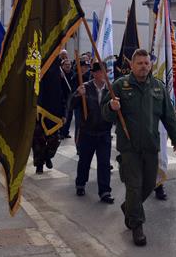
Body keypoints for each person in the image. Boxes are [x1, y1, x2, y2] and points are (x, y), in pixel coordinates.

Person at [102, 48, 176, 246]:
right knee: (134, 186)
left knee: (148, 185)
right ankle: (137, 226)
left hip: (150, 146)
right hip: (129, 147)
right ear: (132, 65)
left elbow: (169, 115)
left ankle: (129, 207)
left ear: (150, 65)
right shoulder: (120, 86)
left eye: (147, 63)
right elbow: (105, 114)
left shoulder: (158, 87)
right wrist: (111, 108)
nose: (144, 66)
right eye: (140, 63)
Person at [73, 62, 115, 202]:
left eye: (106, 72)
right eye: (101, 72)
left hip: (104, 132)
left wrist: (116, 108)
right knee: (85, 160)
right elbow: (71, 105)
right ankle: (80, 184)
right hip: (88, 132)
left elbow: (115, 111)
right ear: (95, 73)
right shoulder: (86, 87)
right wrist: (78, 95)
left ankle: (105, 191)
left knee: (104, 163)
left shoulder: (111, 90)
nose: (104, 75)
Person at [32, 63, 64, 174]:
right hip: (36, 112)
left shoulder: (57, 74)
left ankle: (46, 156)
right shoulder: (35, 70)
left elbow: (62, 94)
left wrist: (63, 113)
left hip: (54, 112)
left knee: (54, 141)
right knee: (37, 142)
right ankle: (39, 165)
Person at [59, 59, 75, 139]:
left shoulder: (73, 74)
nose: (68, 66)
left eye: (69, 64)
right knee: (63, 115)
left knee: (70, 116)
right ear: (62, 66)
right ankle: (61, 132)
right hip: (62, 98)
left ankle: (66, 132)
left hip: (71, 97)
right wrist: (60, 77)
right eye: (66, 64)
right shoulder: (60, 74)